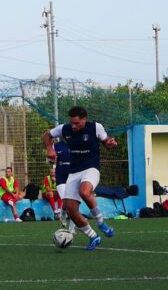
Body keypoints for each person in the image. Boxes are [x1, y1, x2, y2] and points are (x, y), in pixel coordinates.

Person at [43, 106, 117, 251]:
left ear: (84, 119)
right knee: (70, 209)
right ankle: (94, 236)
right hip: (74, 172)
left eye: (77, 123)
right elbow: (46, 135)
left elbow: (106, 140)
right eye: (72, 123)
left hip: (91, 169)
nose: (73, 126)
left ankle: (101, 223)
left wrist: (110, 143)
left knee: (85, 192)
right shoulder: (64, 129)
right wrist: (50, 149)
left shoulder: (96, 127)